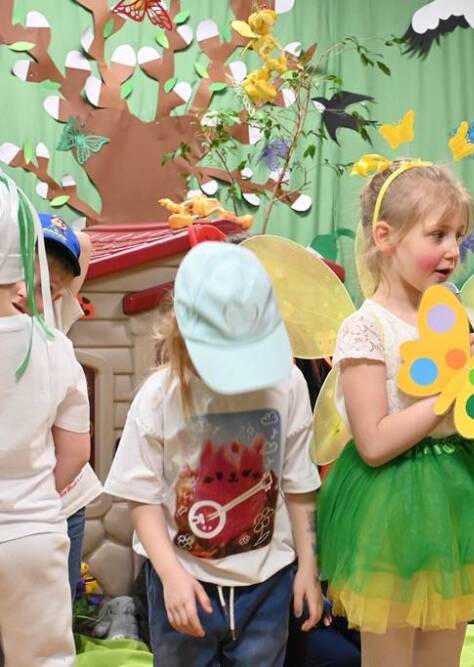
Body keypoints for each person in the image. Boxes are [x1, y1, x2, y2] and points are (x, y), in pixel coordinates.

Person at [316, 159, 474, 667]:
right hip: (389, 502)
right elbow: (374, 442)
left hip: (456, 494)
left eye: (459, 236)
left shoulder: (452, 316)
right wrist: (449, 391)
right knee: (390, 653)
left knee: (442, 650)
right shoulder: (367, 327)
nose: (453, 250)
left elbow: (471, 416)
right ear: (385, 237)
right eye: (437, 234)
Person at [104, 241, 323, 666]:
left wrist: (309, 569)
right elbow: (140, 496)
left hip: (268, 584)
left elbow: (300, 485)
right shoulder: (159, 397)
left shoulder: (289, 384)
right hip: (184, 582)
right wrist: (170, 574)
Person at [0, 174, 90, 666]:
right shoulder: (57, 349)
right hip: (33, 527)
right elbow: (76, 450)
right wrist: (33, 492)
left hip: (44, 519)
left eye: (51, 288)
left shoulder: (58, 327)